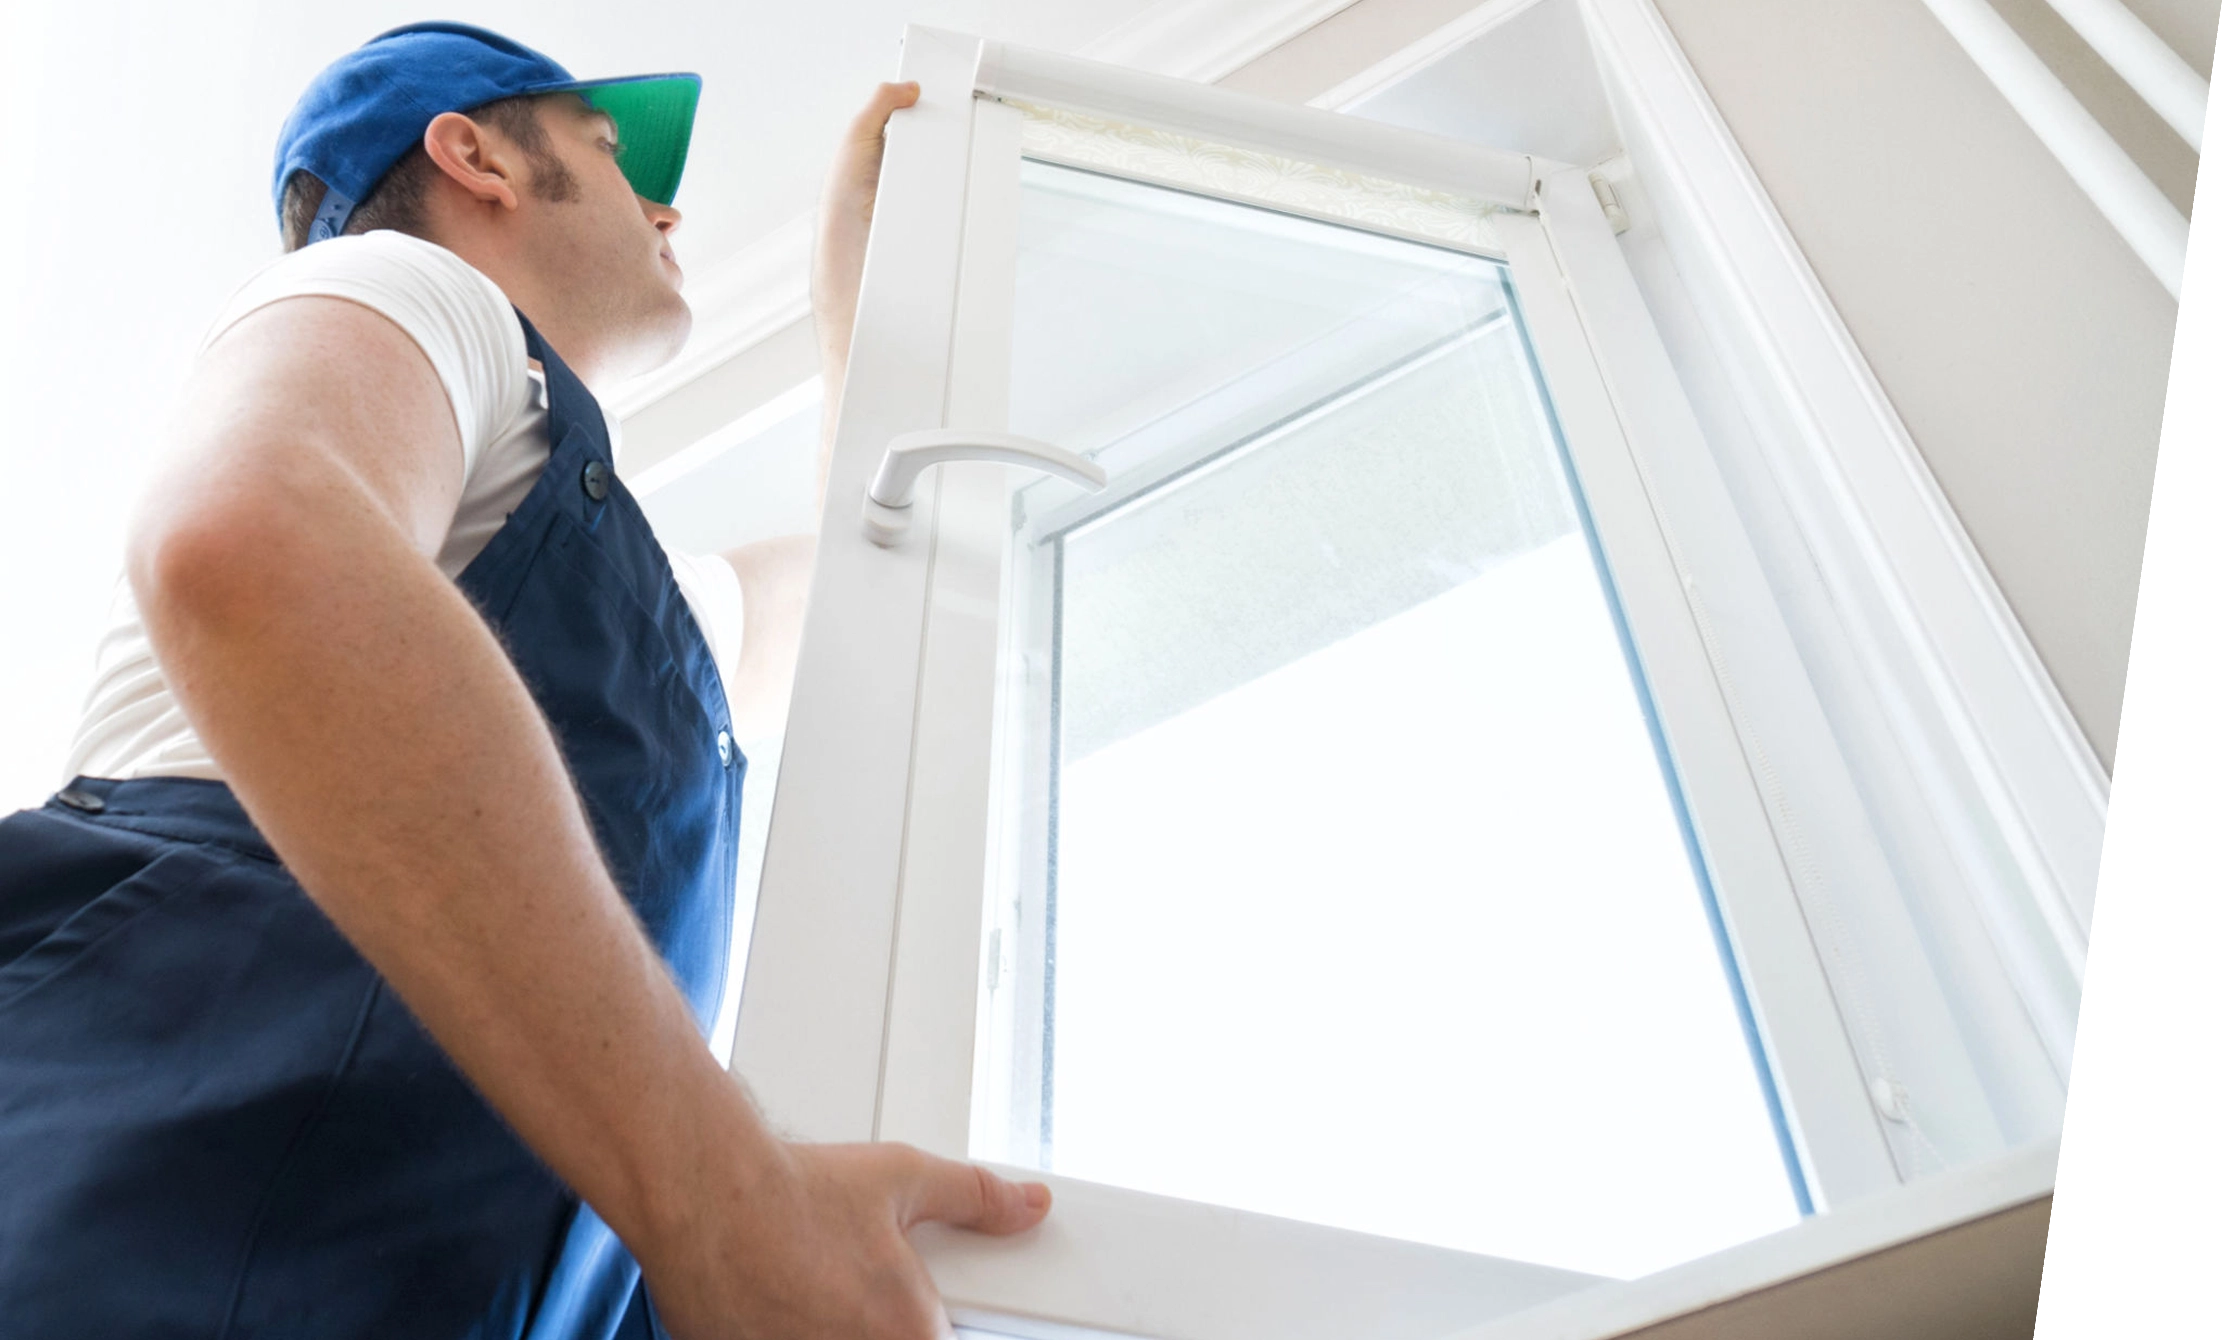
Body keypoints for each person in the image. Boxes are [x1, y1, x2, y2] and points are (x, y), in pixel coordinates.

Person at [0, 20, 1048, 1339]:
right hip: (139, 1231)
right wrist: (726, 1203)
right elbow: (250, 542)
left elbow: (858, 628)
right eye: (615, 155)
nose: (664, 203)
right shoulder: (408, 287)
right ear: (475, 157)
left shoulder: (614, 622)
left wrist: (874, 308)